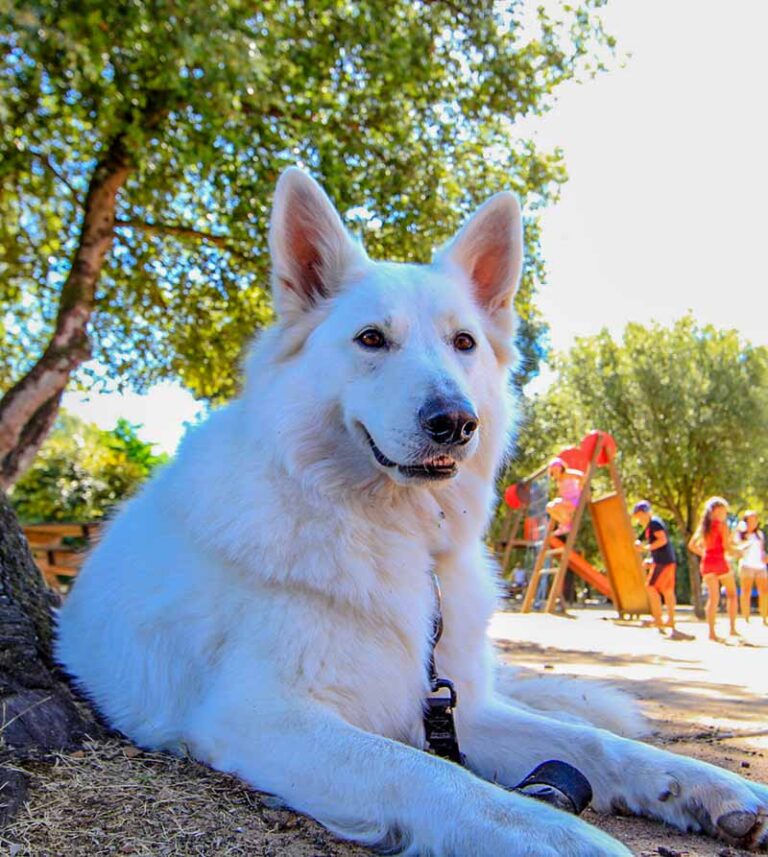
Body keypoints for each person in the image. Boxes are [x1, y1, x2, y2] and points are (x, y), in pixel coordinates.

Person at [688, 497, 738, 642]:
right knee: (732, 594)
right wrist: (739, 551)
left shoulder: (703, 526)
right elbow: (727, 547)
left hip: (707, 563)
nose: (725, 513)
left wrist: (704, 553)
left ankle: (711, 633)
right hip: (720, 561)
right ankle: (732, 628)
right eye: (723, 510)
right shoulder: (722, 526)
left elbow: (692, 545)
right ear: (716, 510)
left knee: (713, 597)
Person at [632, 501, 680, 636]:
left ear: (643, 513)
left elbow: (662, 540)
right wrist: (650, 558)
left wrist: (645, 548)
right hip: (665, 561)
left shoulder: (654, 524)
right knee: (667, 590)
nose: (638, 519)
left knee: (651, 588)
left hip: (663, 562)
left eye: (638, 515)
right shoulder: (650, 526)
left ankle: (658, 619)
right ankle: (670, 619)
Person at [735, 510, 767, 625]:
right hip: (746, 565)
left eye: (755, 519)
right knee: (746, 591)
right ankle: (746, 618)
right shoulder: (740, 534)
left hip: (760, 566)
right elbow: (736, 550)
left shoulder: (760, 534)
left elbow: (762, 550)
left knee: (764, 592)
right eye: (751, 519)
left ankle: (764, 618)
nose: (754, 522)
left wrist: (765, 556)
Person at [546, 457, 584, 535]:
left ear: (561, 468)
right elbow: (563, 492)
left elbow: (581, 475)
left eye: (557, 469)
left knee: (556, 504)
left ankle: (567, 524)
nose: (556, 471)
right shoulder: (558, 479)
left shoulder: (567, 474)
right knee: (549, 507)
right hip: (567, 501)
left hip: (575, 500)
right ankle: (565, 524)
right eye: (554, 470)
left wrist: (581, 488)